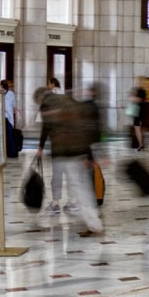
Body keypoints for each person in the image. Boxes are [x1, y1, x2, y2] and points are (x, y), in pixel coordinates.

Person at [48, 85, 103, 237]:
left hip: (74, 158)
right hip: (76, 157)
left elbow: (78, 137)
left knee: (81, 192)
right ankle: (94, 223)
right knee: (83, 191)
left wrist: (87, 156)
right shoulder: (75, 115)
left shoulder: (71, 117)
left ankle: (94, 225)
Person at [0, 77, 23, 159]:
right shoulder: (10, 94)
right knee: (9, 135)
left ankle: (10, 152)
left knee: (7, 135)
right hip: (8, 117)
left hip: (4, 116)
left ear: (1, 86)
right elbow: (13, 106)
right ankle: (11, 152)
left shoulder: (0, 94)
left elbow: (13, 106)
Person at [126, 84, 147, 151]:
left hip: (138, 112)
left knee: (138, 129)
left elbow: (139, 100)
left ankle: (141, 144)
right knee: (138, 129)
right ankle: (141, 144)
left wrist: (132, 97)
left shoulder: (141, 91)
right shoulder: (140, 90)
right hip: (138, 112)